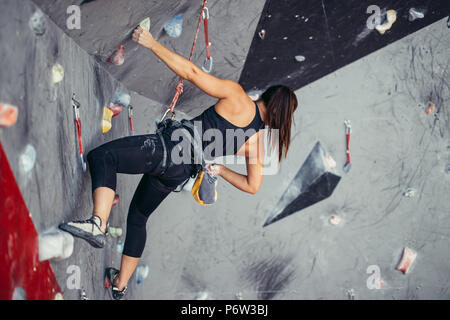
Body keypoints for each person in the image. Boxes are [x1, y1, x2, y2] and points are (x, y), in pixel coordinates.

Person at [59, 26, 298, 300]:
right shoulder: (257, 142)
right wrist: (220, 169)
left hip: (168, 149)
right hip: (179, 172)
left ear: (269, 94)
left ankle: (98, 224)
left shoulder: (238, 97)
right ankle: (119, 286)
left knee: (103, 157)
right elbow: (253, 186)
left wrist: (151, 43)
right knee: (138, 218)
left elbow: (193, 73)